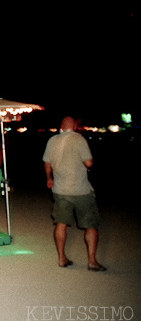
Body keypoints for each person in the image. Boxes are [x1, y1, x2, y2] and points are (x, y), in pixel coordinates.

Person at [43, 116, 105, 271]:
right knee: (91, 225)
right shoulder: (79, 139)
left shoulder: (52, 140)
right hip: (81, 189)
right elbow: (89, 162)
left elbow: (47, 163)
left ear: (62, 126)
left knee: (61, 223)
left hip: (60, 189)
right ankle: (92, 261)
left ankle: (62, 259)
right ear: (75, 126)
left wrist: (49, 178)